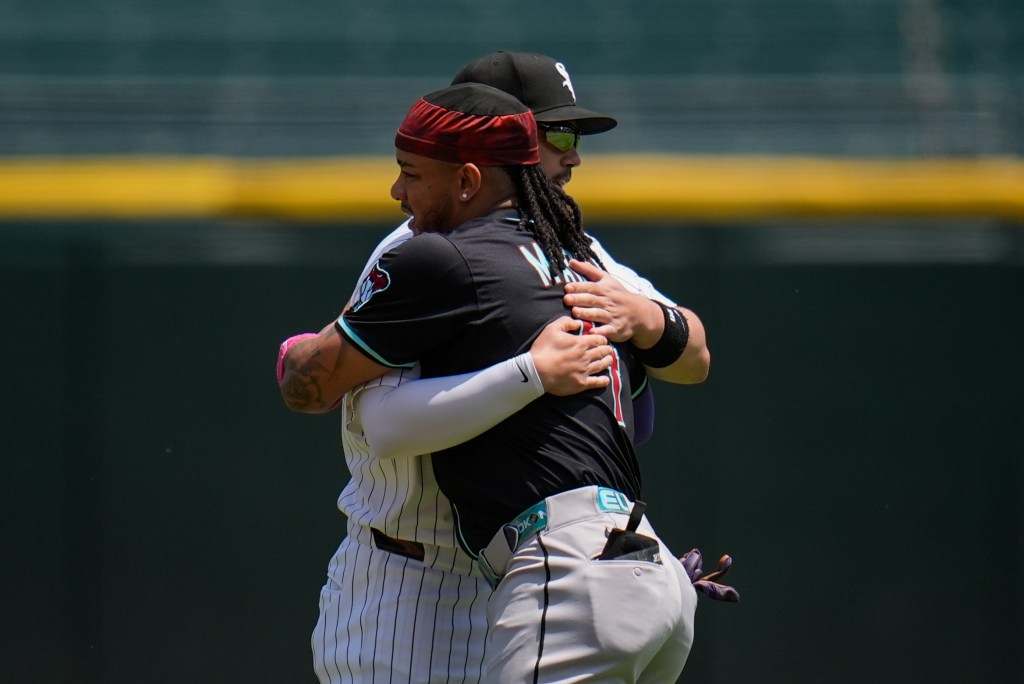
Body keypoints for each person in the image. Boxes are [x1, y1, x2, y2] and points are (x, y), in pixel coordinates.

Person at [281, 52, 720, 683]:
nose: (571, 156)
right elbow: (379, 415)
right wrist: (533, 374)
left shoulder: (572, 248)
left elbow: (694, 358)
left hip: (535, 561)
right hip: (416, 579)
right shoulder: (423, 246)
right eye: (556, 134)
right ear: (484, 147)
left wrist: (649, 319)